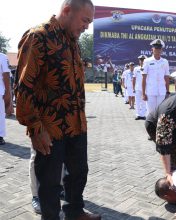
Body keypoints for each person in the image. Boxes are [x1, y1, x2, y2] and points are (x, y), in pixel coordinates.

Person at [15, 0, 101, 219]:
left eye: (90, 22)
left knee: (78, 173)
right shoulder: (38, 37)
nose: (86, 27)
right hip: (49, 128)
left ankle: (74, 212)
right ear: (66, 11)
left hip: (76, 124)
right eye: (85, 20)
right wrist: (35, 128)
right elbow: (24, 87)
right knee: (50, 183)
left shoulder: (73, 41)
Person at [142, 39, 170, 116]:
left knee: (161, 112)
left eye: (159, 48)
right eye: (156, 48)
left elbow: (167, 77)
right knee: (151, 113)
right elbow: (144, 78)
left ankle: (159, 127)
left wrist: (167, 91)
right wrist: (143, 93)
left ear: (161, 50)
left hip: (161, 91)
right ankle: (150, 127)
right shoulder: (147, 61)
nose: (158, 50)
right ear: (152, 49)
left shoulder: (165, 62)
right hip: (150, 91)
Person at [0, 52, 11, 145]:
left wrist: (7, 91)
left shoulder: (2, 57)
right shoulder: (3, 57)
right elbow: (6, 75)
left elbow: (6, 75)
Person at [133, 55, 147, 120]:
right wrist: (133, 88)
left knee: (144, 102)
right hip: (138, 88)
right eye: (141, 60)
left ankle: (143, 115)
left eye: (143, 60)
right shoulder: (136, 69)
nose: (142, 61)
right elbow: (134, 79)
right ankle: (138, 114)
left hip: (146, 88)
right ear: (139, 61)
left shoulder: (147, 68)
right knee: (138, 102)